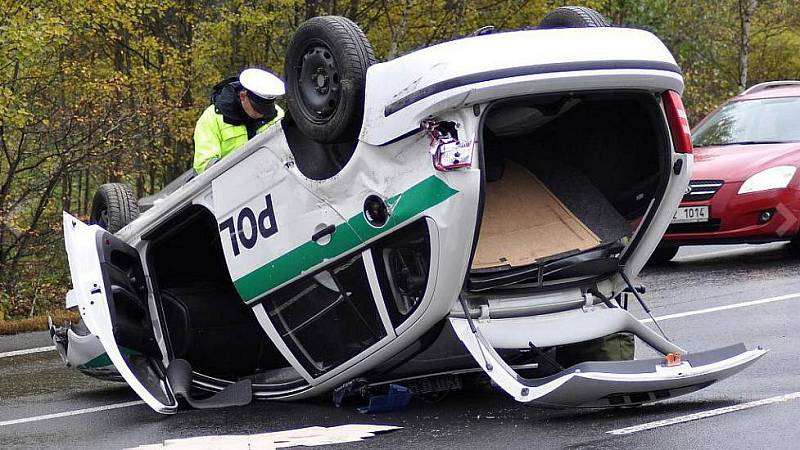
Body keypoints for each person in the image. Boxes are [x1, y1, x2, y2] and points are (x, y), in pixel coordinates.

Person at [193, 68, 286, 174]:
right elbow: (204, 164)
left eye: (266, 109)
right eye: (257, 109)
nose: (262, 114)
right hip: (229, 184)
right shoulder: (211, 118)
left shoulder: (277, 114)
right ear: (243, 96)